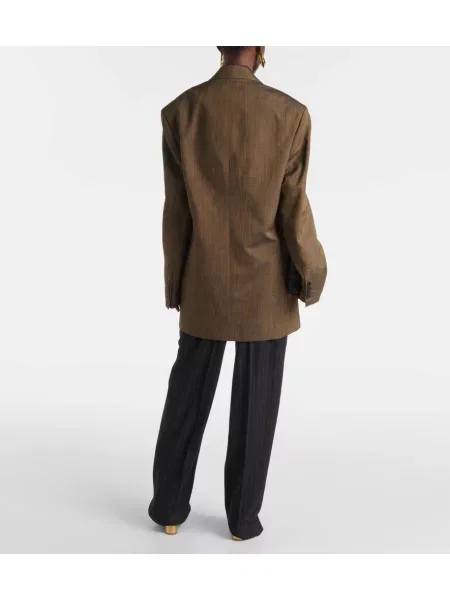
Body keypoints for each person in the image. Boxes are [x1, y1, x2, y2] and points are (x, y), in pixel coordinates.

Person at [148, 46, 327, 541]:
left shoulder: (181, 112)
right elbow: (294, 210)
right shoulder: (290, 115)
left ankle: (169, 508)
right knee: (257, 401)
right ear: (261, 49)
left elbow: (176, 212)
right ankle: (242, 521)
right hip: (266, 286)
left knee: (187, 393)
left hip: (203, 278)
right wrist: (312, 273)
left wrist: (175, 282)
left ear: (219, 45)